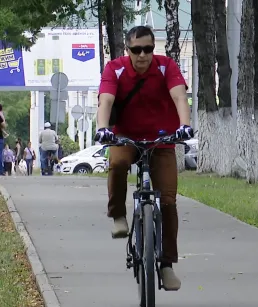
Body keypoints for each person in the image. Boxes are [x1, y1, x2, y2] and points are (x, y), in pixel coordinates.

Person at [93, 25, 194, 291]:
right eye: (136, 50)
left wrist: (184, 125)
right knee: (117, 163)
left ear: (153, 49)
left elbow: (179, 96)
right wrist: (103, 130)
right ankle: (117, 215)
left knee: (169, 202)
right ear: (127, 50)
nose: (142, 55)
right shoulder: (114, 68)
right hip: (125, 137)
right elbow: (105, 100)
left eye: (148, 49)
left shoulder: (166, 66)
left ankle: (167, 265)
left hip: (161, 140)